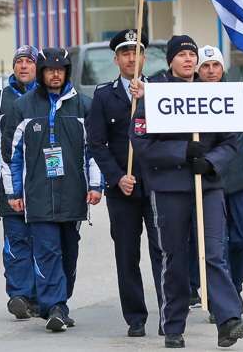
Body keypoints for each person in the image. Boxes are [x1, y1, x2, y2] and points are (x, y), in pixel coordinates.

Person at [129, 35, 243, 349]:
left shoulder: (212, 93)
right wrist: (182, 151)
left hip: (207, 186)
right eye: (182, 55)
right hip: (169, 188)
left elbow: (232, 140)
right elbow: (141, 142)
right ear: (170, 60)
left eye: (192, 55)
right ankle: (173, 325)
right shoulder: (155, 93)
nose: (188, 60)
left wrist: (210, 161)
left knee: (214, 252)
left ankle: (228, 319)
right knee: (174, 256)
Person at [1, 47, 103, 332]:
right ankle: (55, 306)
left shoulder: (83, 106)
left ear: (67, 72)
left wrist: (96, 185)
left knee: (69, 252)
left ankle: (60, 301)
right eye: (49, 70)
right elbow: (11, 155)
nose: (55, 75)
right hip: (37, 194)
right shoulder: (22, 107)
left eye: (60, 70)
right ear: (41, 73)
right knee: (47, 251)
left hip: (73, 193)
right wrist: (13, 193)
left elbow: (94, 151)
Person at [86, 29, 163, 338]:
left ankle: (169, 314)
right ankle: (135, 317)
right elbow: (97, 143)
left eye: (136, 52)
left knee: (164, 252)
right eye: (125, 53)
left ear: (144, 57)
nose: (132, 58)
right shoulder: (104, 96)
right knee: (127, 254)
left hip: (157, 185)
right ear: (116, 59)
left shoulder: (158, 91)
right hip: (123, 190)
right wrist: (117, 177)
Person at [196, 46, 243, 314]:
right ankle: (222, 301)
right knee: (217, 245)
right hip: (206, 182)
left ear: (222, 67)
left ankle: (233, 288)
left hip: (239, 183)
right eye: (205, 66)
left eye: (215, 65)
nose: (211, 71)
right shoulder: (186, 97)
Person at [0, 45, 39, 319]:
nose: (23, 66)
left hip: (44, 187)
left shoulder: (49, 98)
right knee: (16, 241)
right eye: (19, 61)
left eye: (29, 61)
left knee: (44, 243)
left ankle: (43, 296)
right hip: (10, 187)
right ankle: (20, 295)